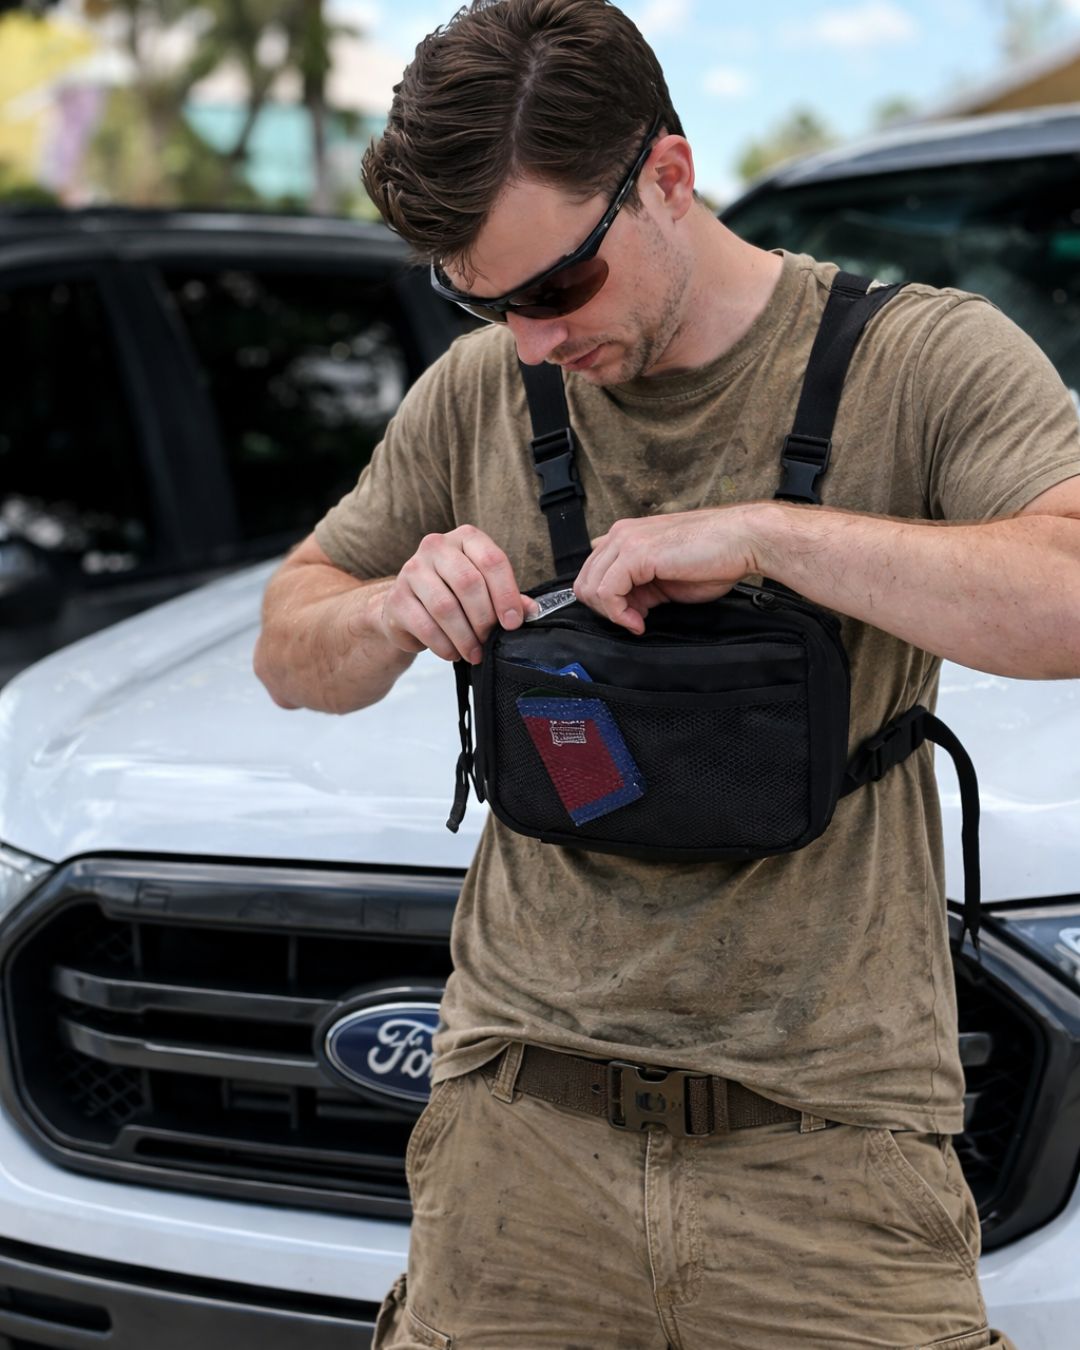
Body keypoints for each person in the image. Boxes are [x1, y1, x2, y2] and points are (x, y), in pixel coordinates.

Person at [253, 2, 1080, 1345]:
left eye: (555, 289)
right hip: (514, 1138)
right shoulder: (478, 394)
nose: (527, 339)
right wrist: (389, 612)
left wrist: (766, 533)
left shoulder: (921, 361)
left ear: (668, 180)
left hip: (832, 1150)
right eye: (482, 299)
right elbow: (291, 640)